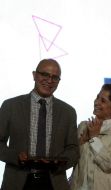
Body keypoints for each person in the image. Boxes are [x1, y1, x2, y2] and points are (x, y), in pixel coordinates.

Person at [0, 59, 79, 190]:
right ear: (34, 75)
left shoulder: (68, 112)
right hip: (17, 183)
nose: (49, 80)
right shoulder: (10, 106)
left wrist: (59, 162)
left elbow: (73, 150)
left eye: (55, 77)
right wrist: (15, 156)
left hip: (54, 183)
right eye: (45, 75)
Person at [70, 83, 111, 190]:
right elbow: (71, 159)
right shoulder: (83, 126)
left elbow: (109, 163)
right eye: (97, 97)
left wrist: (94, 138)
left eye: (103, 101)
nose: (96, 102)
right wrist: (81, 141)